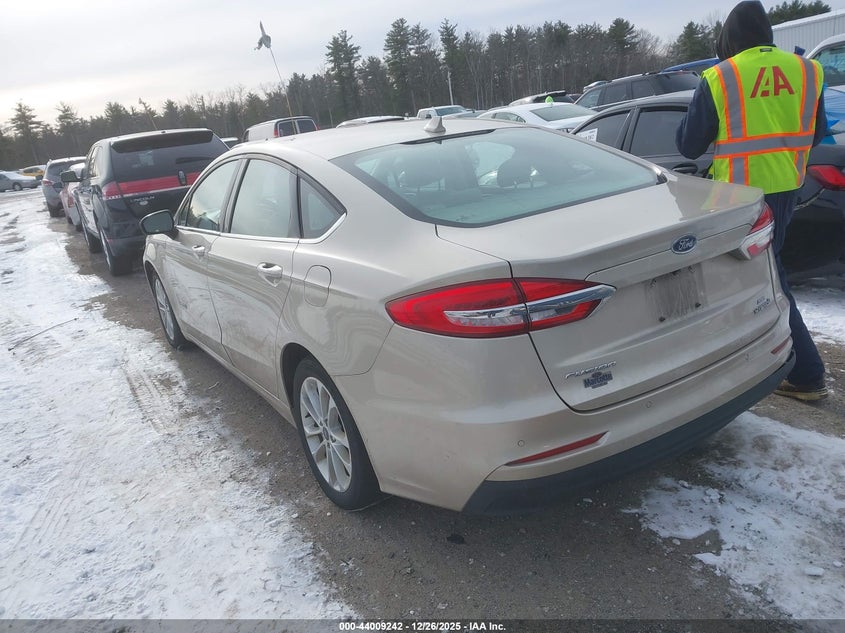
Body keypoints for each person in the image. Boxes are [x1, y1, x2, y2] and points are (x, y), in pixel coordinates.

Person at [675, 0, 828, 401]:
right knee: (758, 279)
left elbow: (689, 146)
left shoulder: (721, 76)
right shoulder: (808, 70)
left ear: (729, 39)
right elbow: (815, 134)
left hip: (740, 201)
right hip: (788, 190)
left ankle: (808, 373)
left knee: (768, 282)